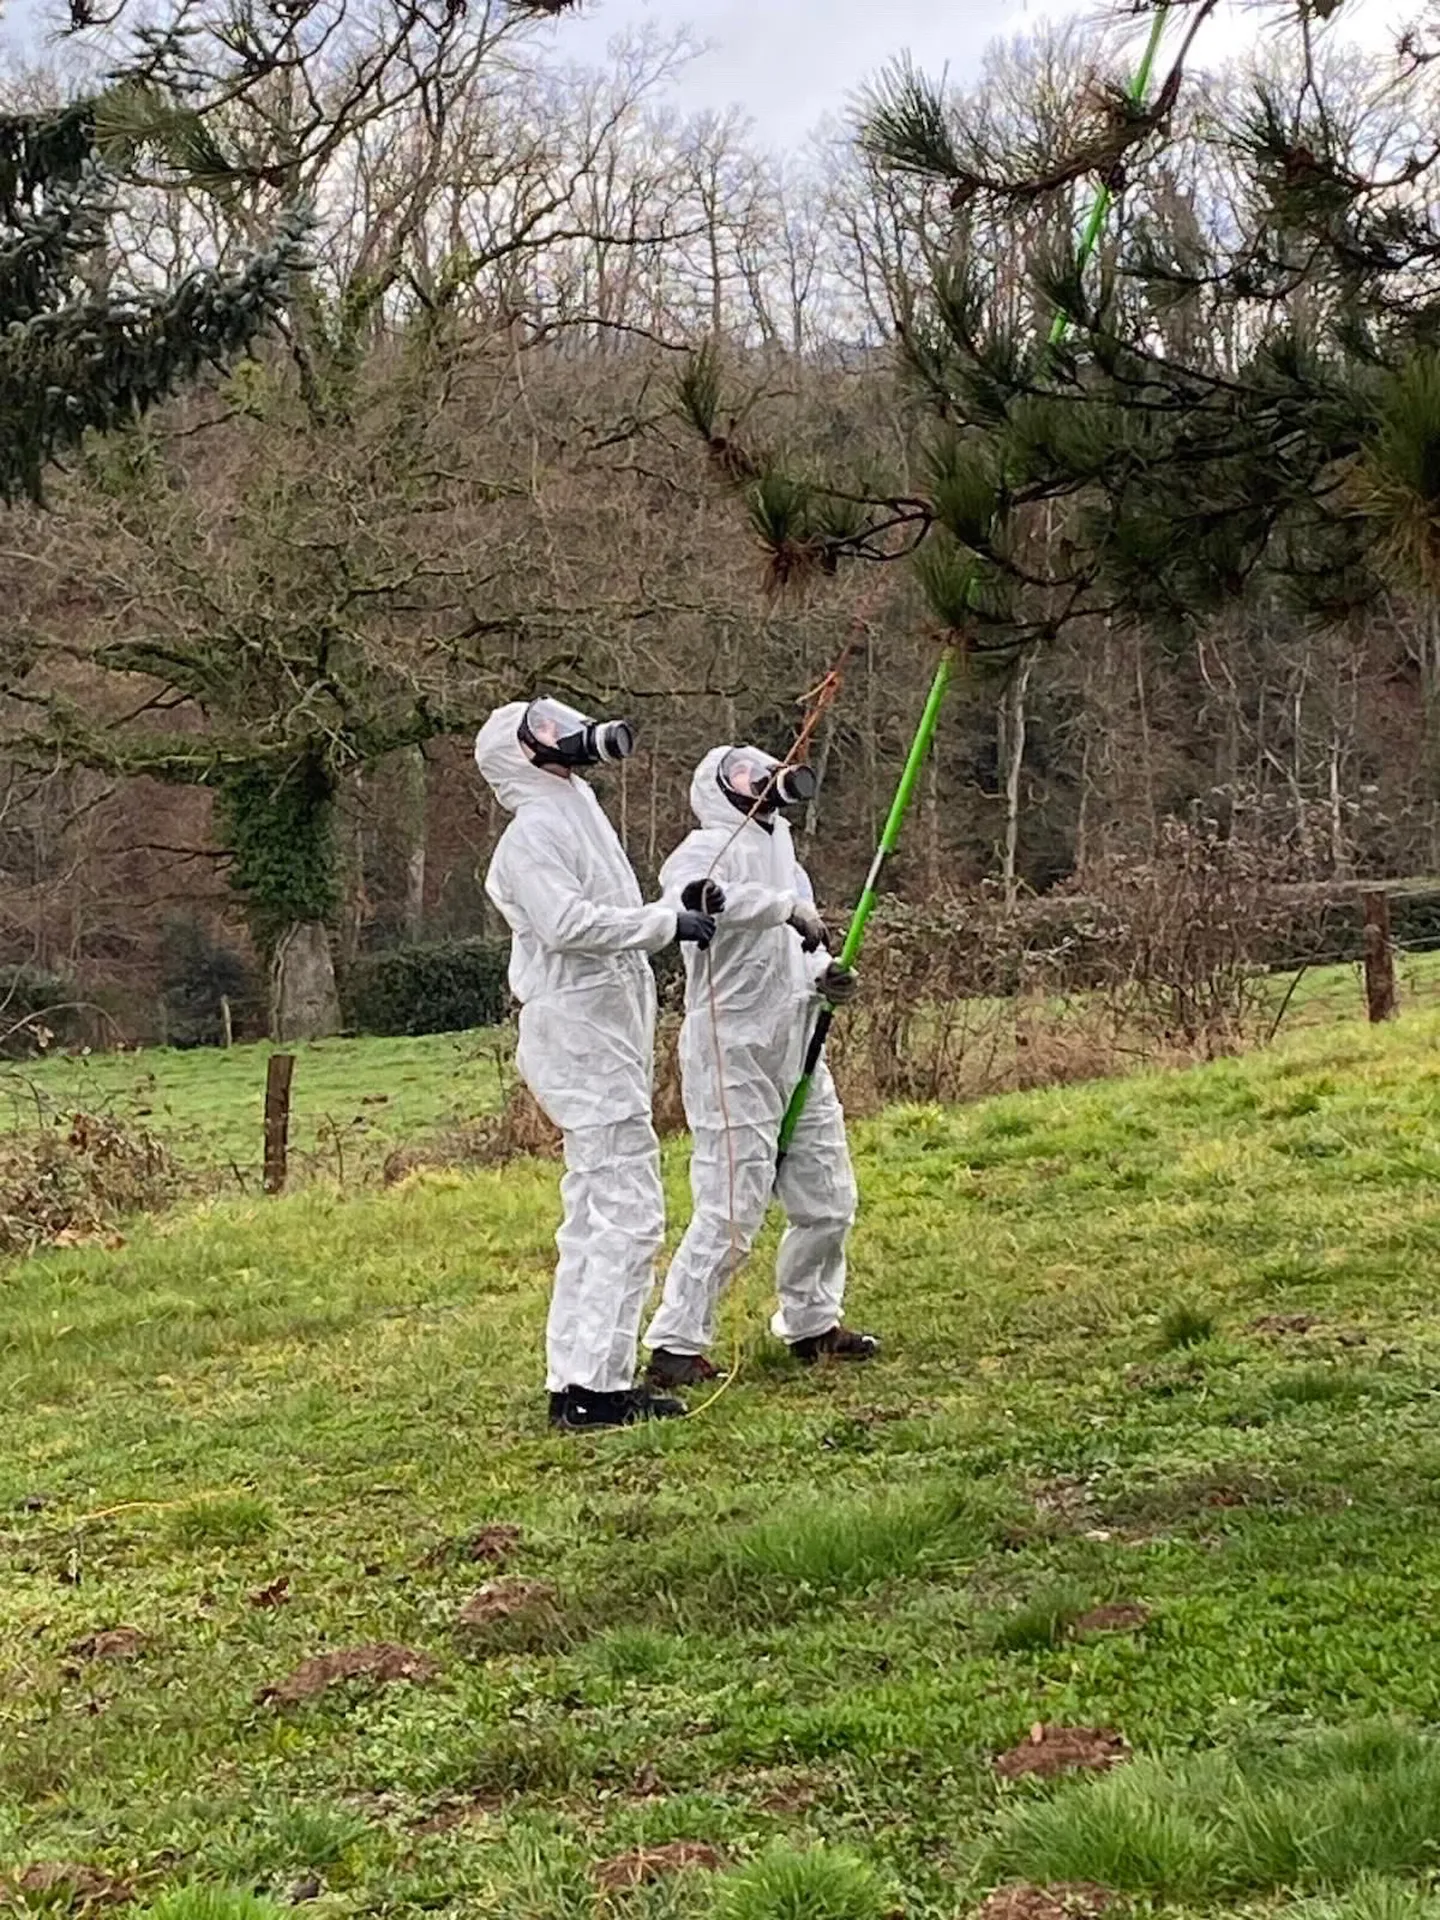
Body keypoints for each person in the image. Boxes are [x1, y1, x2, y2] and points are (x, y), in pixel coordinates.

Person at [474, 697, 721, 1431]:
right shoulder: (531, 833)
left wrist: (678, 903)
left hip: (603, 1032)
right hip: (579, 1036)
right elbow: (567, 925)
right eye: (547, 729)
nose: (568, 734)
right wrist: (664, 923)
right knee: (626, 1212)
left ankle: (583, 1381)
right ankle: (595, 1390)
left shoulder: (574, 810)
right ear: (520, 753)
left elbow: (608, 909)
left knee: (595, 1212)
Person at [643, 744, 879, 1388]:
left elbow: (800, 950)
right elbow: (697, 897)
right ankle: (675, 1345)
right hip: (731, 1048)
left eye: (764, 769)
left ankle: (812, 1323)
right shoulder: (705, 847)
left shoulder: (787, 861)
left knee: (828, 1199)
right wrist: (783, 908)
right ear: (719, 787)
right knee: (732, 1205)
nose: (763, 780)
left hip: (796, 1043)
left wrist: (825, 975)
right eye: (746, 774)